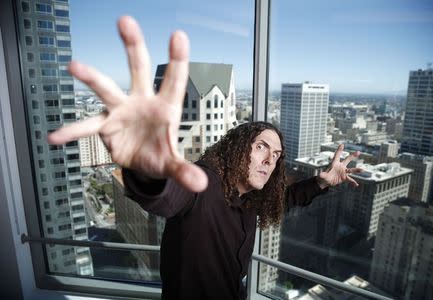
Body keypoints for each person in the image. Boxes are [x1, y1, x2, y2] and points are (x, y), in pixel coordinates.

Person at [48, 16, 361, 300]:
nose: (271, 159)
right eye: (262, 146)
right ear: (239, 147)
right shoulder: (204, 182)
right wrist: (144, 164)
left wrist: (323, 181)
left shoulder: (252, 197)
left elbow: (286, 198)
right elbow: (168, 197)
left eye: (277, 155)